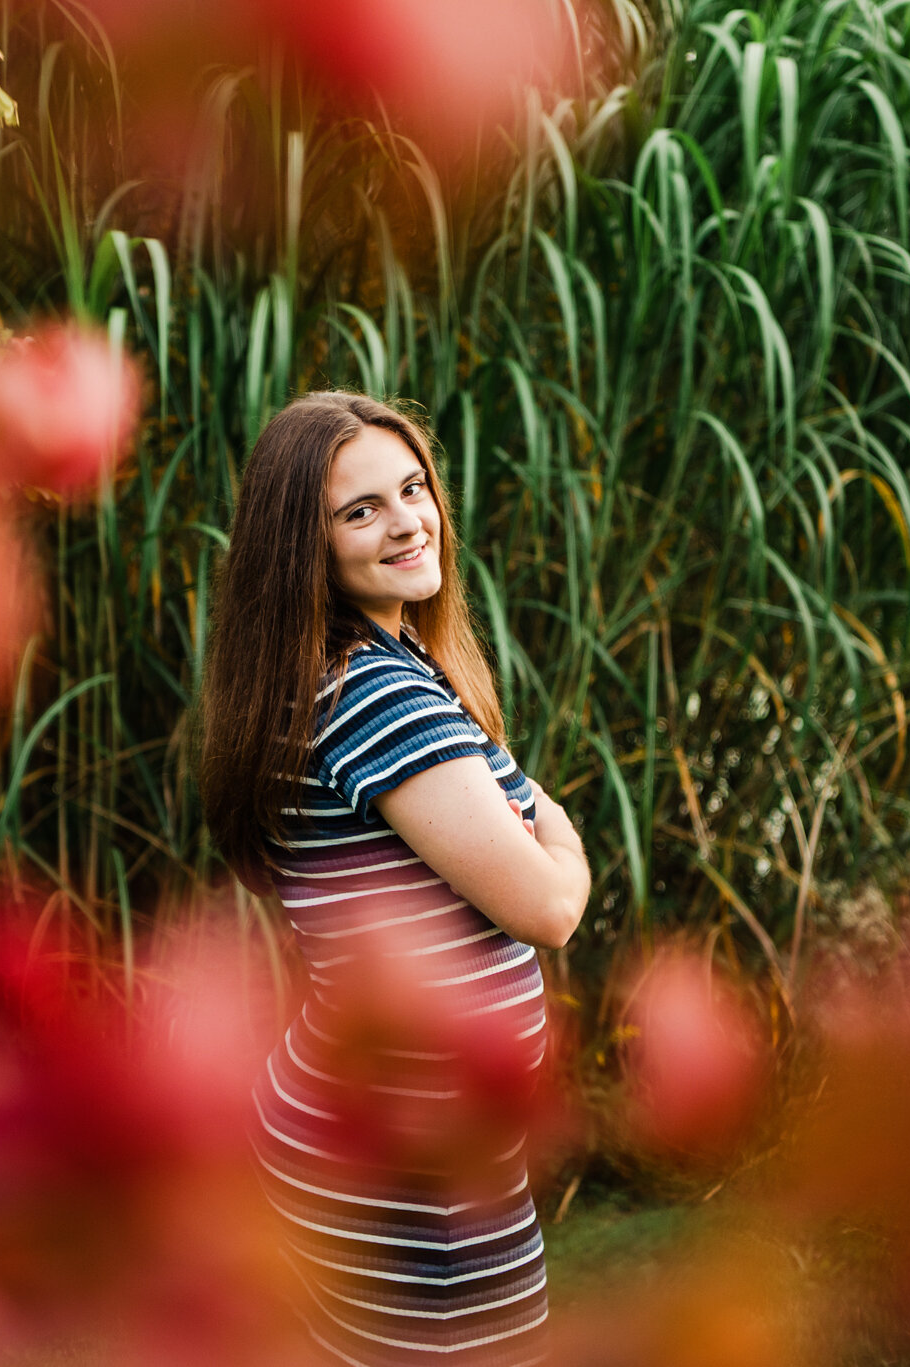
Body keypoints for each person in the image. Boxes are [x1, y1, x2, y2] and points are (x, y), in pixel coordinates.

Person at [200, 391, 591, 1366]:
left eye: (412, 488)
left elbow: (498, 797)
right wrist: (562, 840)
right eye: (360, 509)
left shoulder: (369, 665)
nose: (409, 519)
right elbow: (547, 906)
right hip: (405, 1169)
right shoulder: (375, 695)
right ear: (305, 545)